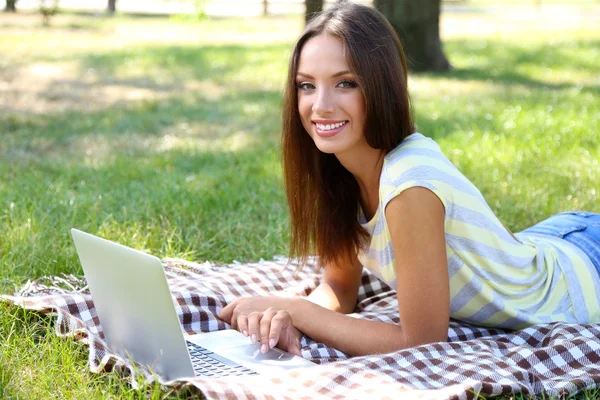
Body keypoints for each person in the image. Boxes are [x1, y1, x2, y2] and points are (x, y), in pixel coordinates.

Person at [219, 1, 600, 358]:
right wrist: (286, 316)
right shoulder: (338, 168)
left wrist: (297, 310)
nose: (320, 105)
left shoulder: (408, 184)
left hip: (584, 268)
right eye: (307, 85)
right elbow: (338, 288)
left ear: (381, 86)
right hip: (552, 238)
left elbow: (420, 341)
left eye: (345, 83)